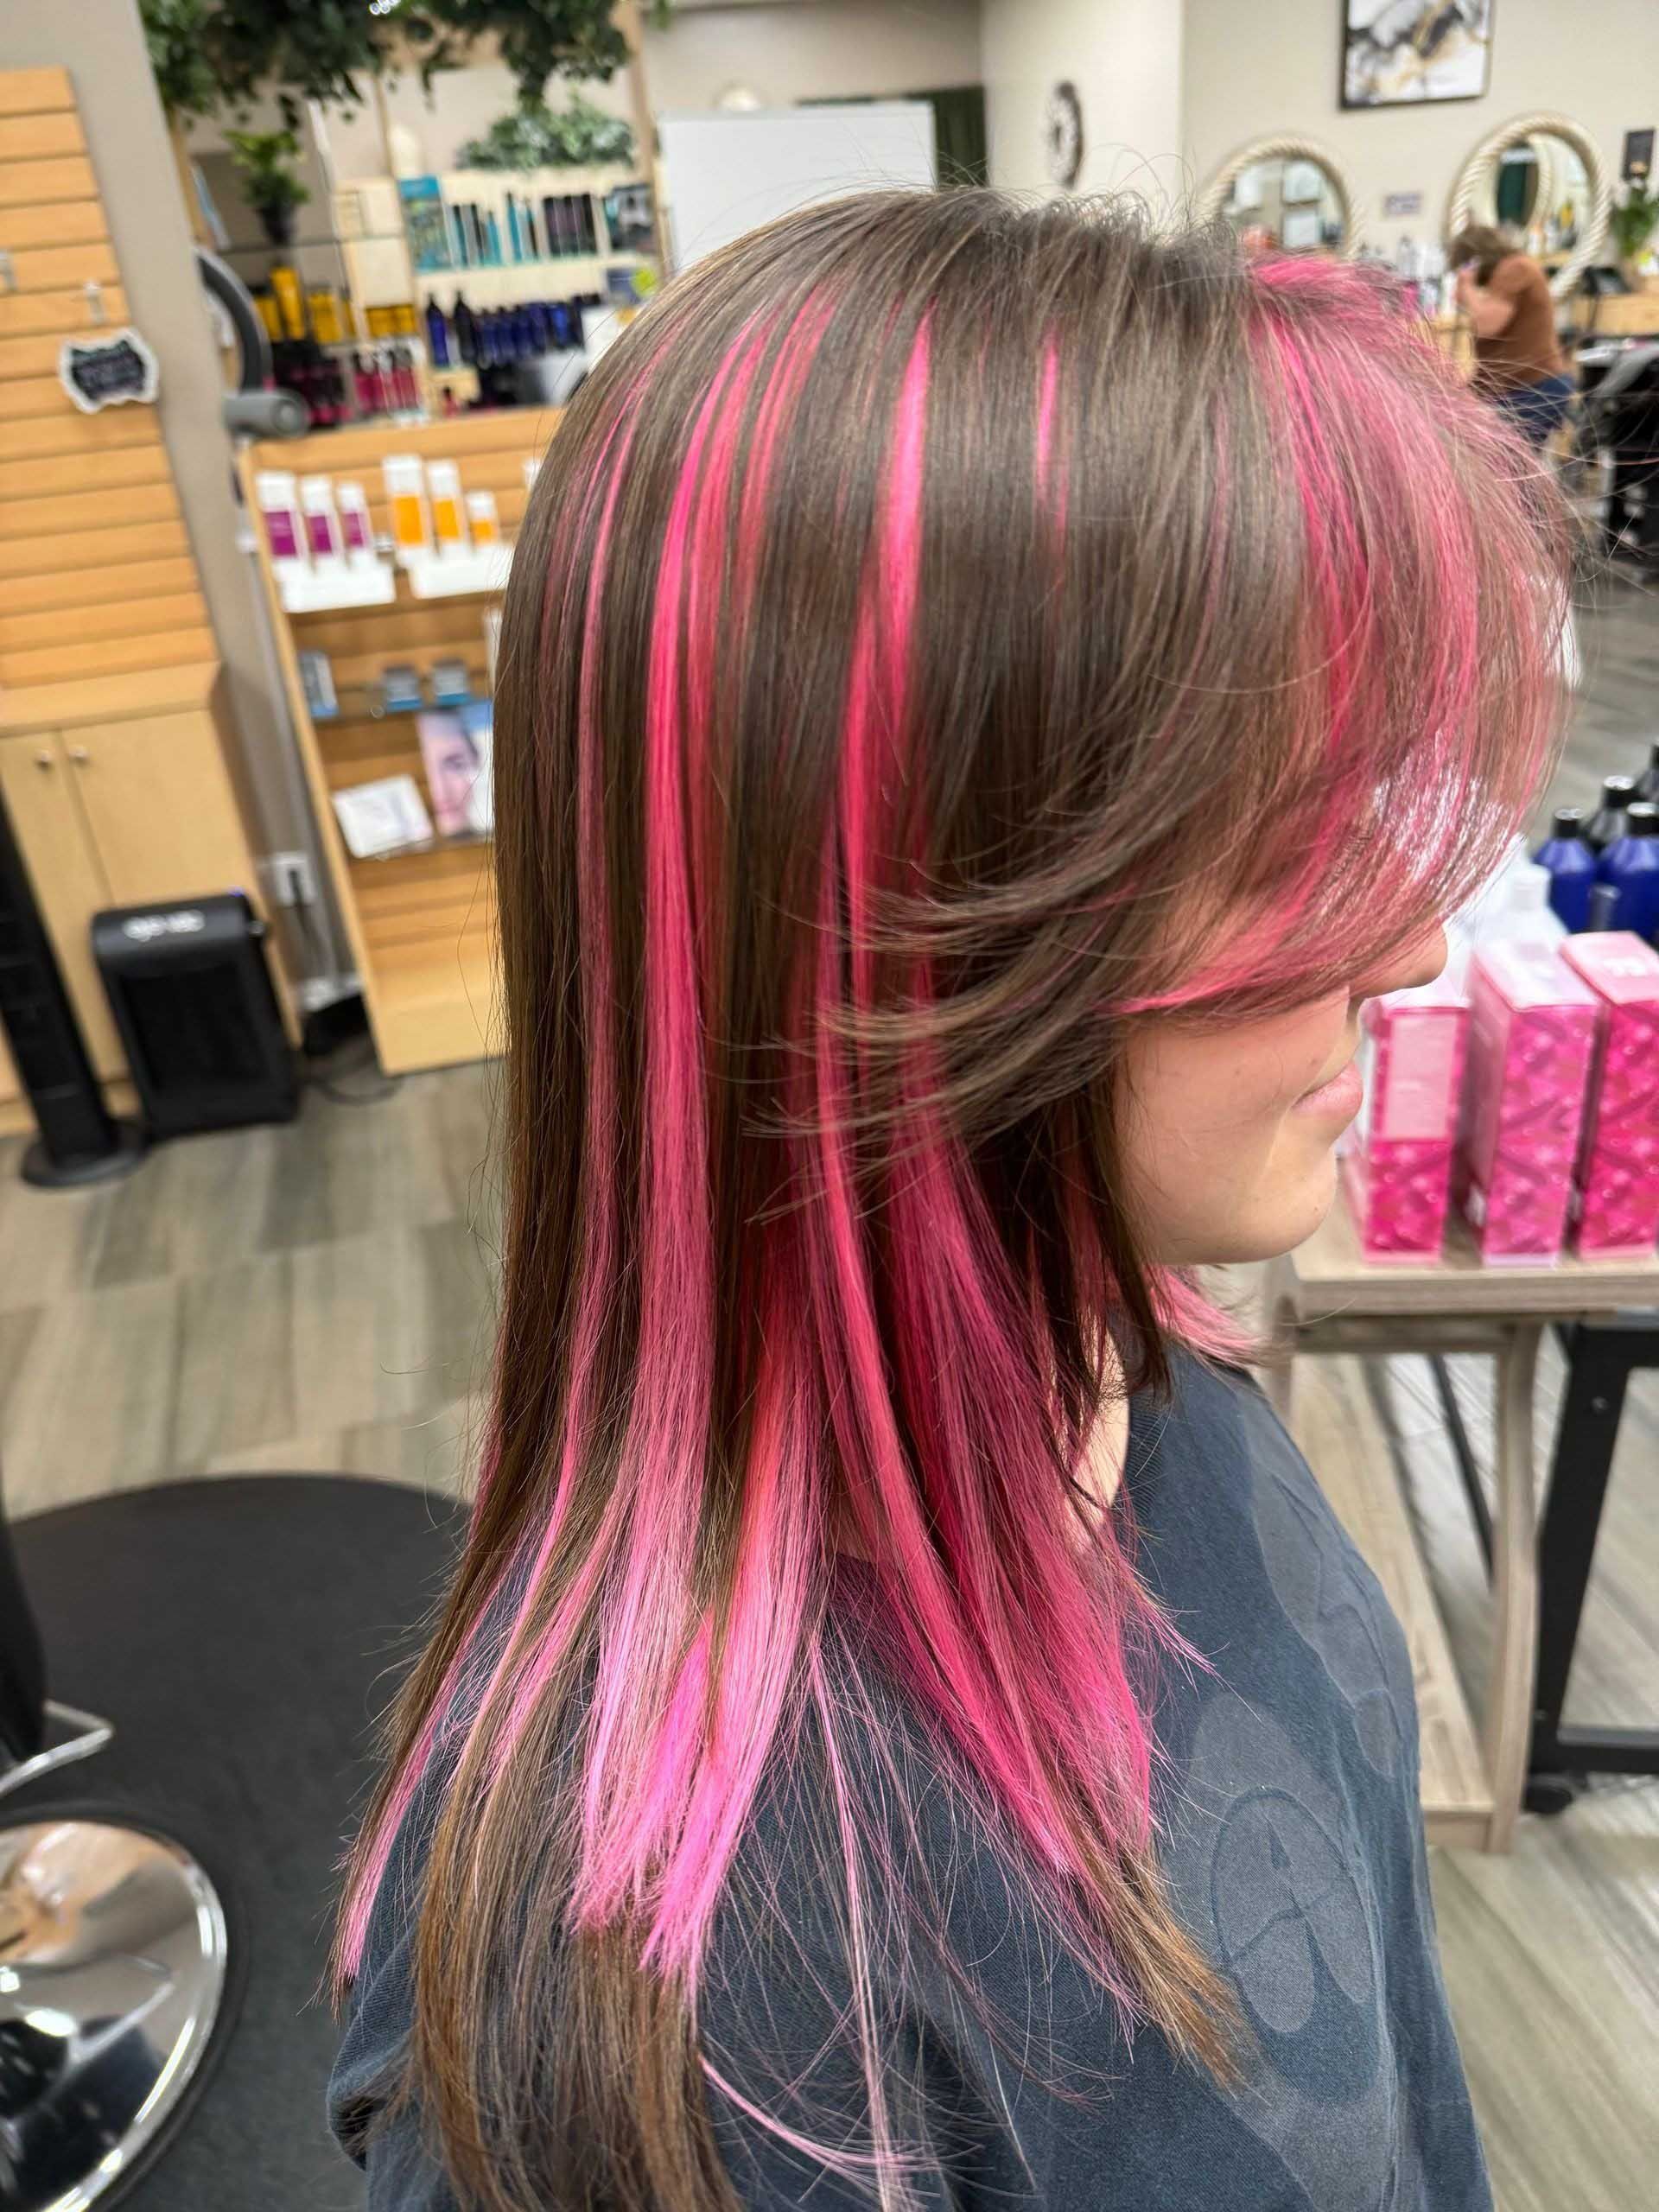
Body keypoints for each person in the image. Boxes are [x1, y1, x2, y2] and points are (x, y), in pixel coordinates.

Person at [328, 194, 1567, 2211]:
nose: (1414, 947)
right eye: (1286, 841)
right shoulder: (704, 1994)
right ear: (923, 931)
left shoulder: (1154, 1386)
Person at [1451, 222, 1576, 446]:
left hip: (1534, 388)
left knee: (1503, 470)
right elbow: (1499, 351)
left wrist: (1468, 287)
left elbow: (1488, 324)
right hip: (1523, 389)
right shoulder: (1510, 273)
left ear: (1475, 260)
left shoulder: (1516, 268)